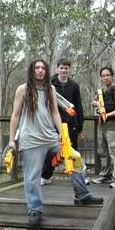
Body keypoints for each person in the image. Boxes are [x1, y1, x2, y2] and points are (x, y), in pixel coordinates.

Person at [8, 59, 102, 229]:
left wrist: (61, 134)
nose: (40, 71)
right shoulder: (22, 90)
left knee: (75, 158)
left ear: (46, 71)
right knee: (32, 177)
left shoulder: (50, 89)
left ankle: (82, 195)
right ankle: (34, 210)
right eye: (36, 67)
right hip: (32, 140)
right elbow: (15, 115)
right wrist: (11, 140)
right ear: (32, 70)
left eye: (42, 68)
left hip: (51, 137)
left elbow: (54, 113)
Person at [41, 57, 84, 186]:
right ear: (57, 68)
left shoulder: (74, 86)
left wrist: (79, 127)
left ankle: (77, 179)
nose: (64, 70)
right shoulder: (50, 83)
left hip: (70, 125)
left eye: (66, 68)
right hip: (53, 124)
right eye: (61, 68)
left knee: (73, 151)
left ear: (69, 69)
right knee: (51, 152)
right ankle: (45, 176)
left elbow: (78, 106)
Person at [91, 67, 115, 188]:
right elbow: (93, 103)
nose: (105, 77)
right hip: (101, 125)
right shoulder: (100, 91)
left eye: (107, 75)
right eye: (103, 75)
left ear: (112, 76)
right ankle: (106, 174)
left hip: (113, 124)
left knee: (114, 151)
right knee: (102, 150)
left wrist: (108, 114)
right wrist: (95, 103)